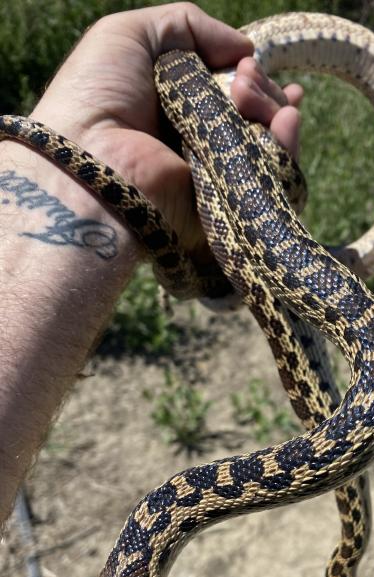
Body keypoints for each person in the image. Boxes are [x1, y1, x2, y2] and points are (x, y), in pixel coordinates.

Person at [0, 2, 303, 524]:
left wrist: (84, 138)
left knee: (268, 164)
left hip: (181, 94)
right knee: (271, 170)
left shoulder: (169, 64)